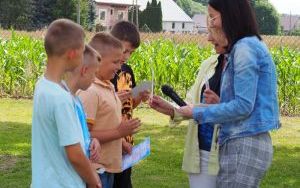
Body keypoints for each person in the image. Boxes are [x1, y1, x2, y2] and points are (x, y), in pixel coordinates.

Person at [176, 0, 280, 187]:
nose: (212, 24)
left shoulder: (244, 48)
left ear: (230, 15)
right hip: (241, 141)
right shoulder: (246, 47)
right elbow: (246, 103)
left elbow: (243, 106)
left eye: (213, 17)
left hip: (243, 143)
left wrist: (196, 113)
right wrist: (219, 104)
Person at [149, 27, 228, 188]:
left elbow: (248, 111)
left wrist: (219, 106)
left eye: (213, 32)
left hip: (232, 153)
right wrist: (171, 109)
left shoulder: (245, 66)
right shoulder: (209, 64)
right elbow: (191, 105)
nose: (208, 38)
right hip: (202, 154)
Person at [31, 19, 101, 188]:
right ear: (72, 54)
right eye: (83, 49)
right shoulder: (61, 98)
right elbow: (75, 154)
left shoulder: (43, 85)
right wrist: (94, 182)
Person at [78, 32, 141, 188]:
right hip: (96, 170)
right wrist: (119, 133)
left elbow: (105, 124)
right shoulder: (90, 91)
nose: (120, 67)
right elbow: (83, 135)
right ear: (98, 60)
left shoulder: (109, 87)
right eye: (115, 62)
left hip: (108, 168)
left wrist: (121, 143)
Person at [110, 21, 149, 188]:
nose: (126, 57)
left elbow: (128, 106)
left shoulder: (127, 71)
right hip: (110, 139)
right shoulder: (105, 70)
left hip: (126, 143)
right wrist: (113, 100)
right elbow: (102, 107)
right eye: (125, 51)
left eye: (131, 53)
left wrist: (139, 97)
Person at [63, 44, 102, 163]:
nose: (94, 79)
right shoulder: (64, 102)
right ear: (84, 70)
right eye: (94, 73)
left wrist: (92, 140)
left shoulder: (77, 100)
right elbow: (74, 153)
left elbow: (80, 134)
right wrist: (93, 180)